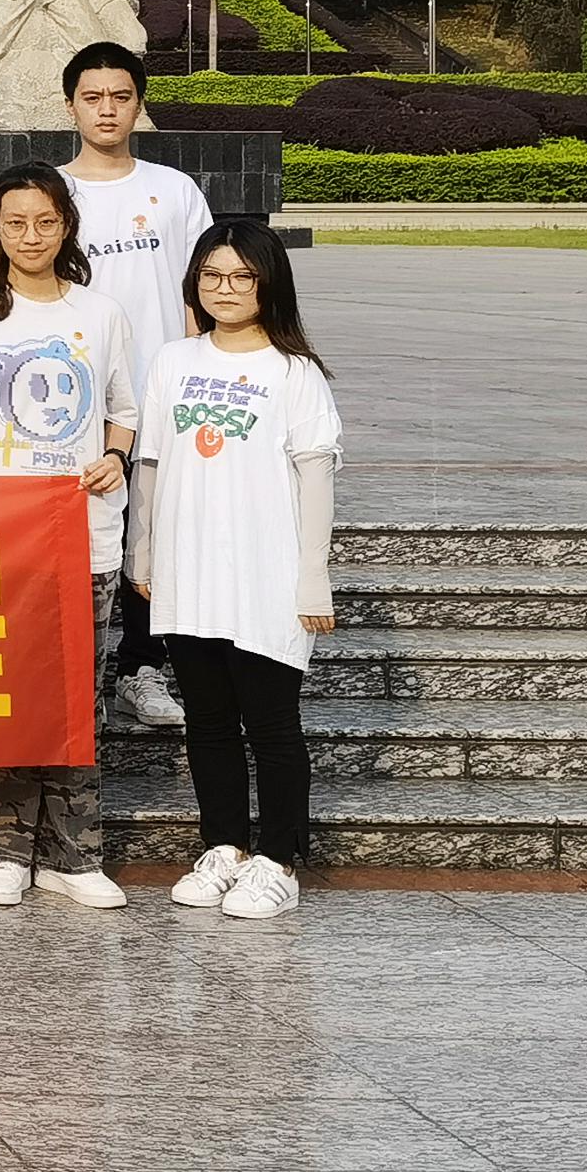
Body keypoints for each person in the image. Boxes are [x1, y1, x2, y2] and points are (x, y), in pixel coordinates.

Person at [0, 163, 138, 911]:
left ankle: (74, 854)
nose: (30, 236)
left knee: (78, 698)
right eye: (15, 223)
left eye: (45, 222)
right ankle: (2, 848)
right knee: (0, 693)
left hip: (81, 534)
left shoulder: (100, 314)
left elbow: (124, 411)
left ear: (66, 227)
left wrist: (114, 457)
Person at [132, 218, 342, 922]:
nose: (224, 289)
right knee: (209, 720)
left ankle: (278, 860)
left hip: (265, 573)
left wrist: (313, 574)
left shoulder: (294, 371)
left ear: (268, 283)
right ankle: (223, 846)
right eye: (211, 275)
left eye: (241, 276)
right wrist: (142, 550)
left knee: (272, 724)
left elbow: (316, 477)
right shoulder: (172, 360)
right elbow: (150, 462)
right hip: (188, 569)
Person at [61, 40, 217, 735]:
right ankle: (71, 671)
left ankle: (139, 668)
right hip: (70, 403)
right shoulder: (50, 194)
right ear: (70, 105)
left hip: (159, 396)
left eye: (120, 97)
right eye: (92, 97)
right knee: (80, 540)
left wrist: (197, 376)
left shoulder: (173, 191)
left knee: (149, 537)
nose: (107, 109)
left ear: (138, 104)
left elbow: (200, 291)